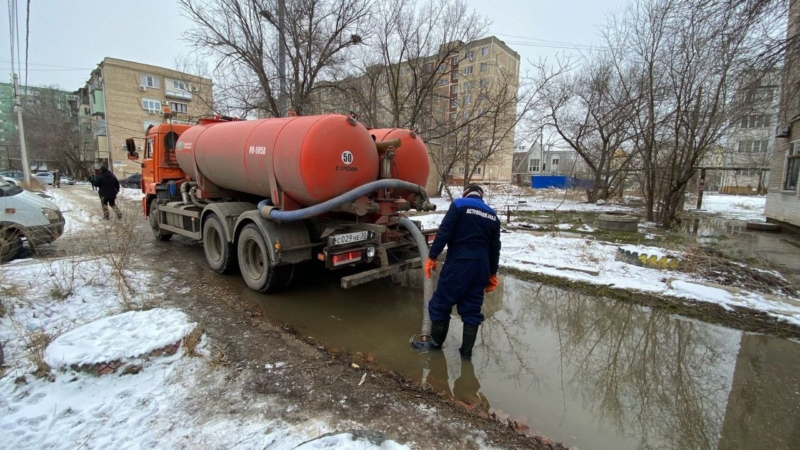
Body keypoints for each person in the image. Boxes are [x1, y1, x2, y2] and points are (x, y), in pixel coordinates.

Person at [415, 185, 501, 359]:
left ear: (466, 193)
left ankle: (435, 344)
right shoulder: (492, 214)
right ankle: (466, 353)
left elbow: (444, 232)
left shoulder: (459, 205)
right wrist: (492, 273)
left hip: (460, 262)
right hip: (481, 266)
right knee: (472, 309)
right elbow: (495, 248)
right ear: (481, 197)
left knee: (441, 303)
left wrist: (432, 256)